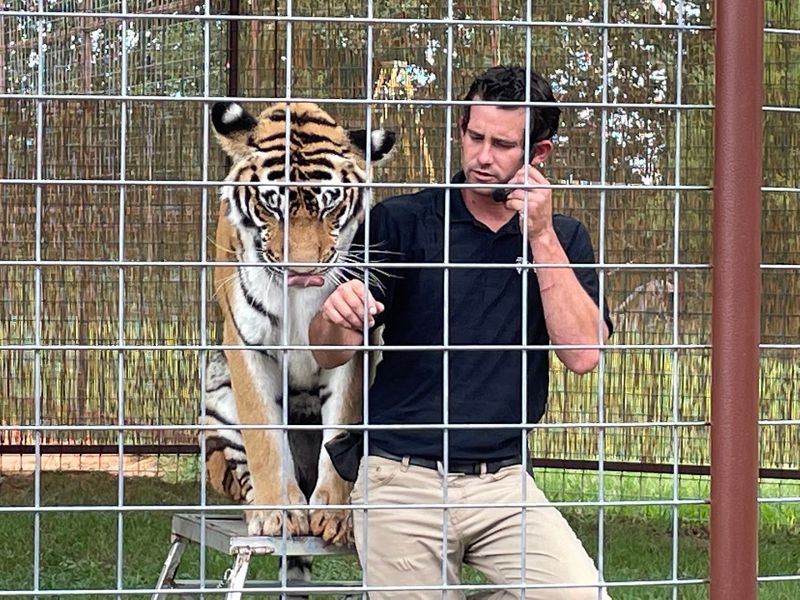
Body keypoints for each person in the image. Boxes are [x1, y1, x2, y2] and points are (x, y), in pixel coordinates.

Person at [309, 65, 613, 600]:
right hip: (400, 477)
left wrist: (539, 237)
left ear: (537, 156)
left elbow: (584, 354)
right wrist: (336, 313)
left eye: (501, 144)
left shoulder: (564, 239)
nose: (482, 156)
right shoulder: (403, 221)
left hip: (503, 482)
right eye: (474, 137)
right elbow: (329, 353)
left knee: (580, 594)